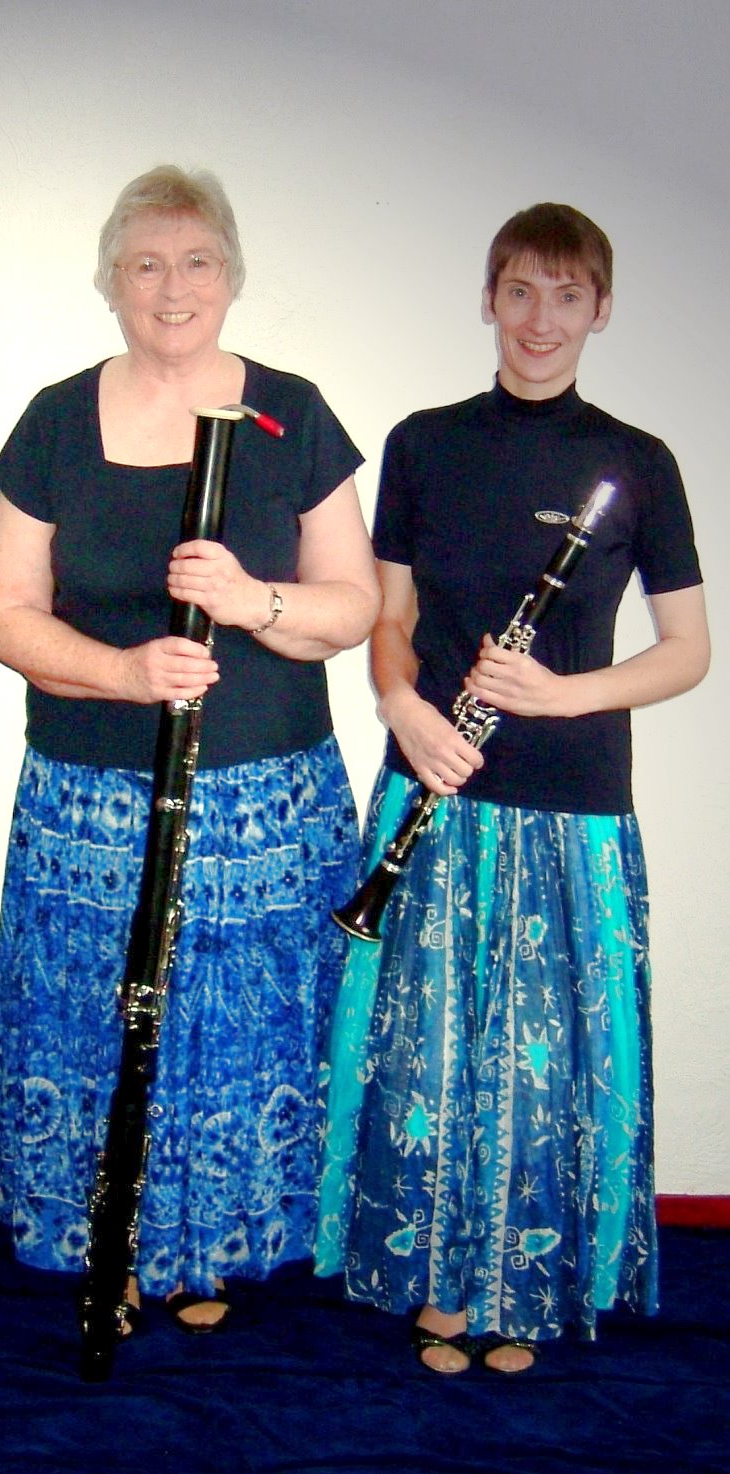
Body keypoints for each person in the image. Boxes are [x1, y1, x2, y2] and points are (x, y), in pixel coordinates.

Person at [0, 165, 380, 1333]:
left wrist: (255, 602)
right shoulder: (58, 417)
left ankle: (214, 1247)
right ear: (110, 282)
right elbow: (6, 613)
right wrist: (124, 672)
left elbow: (351, 607)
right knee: (99, 1023)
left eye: (197, 261)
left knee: (239, 1036)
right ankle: (113, 1241)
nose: (172, 286)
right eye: (145, 263)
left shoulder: (293, 414)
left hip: (267, 799)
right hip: (91, 802)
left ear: (233, 277)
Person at [315, 204, 709, 1373]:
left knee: (548, 1059)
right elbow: (391, 620)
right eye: (520, 293)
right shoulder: (424, 442)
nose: (542, 320)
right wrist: (403, 708)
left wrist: (562, 696)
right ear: (489, 299)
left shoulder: (638, 462)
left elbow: (687, 651)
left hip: (573, 800)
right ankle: (438, 1280)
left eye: (568, 295)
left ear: (600, 309)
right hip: (435, 781)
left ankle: (523, 1283)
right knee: (429, 1051)